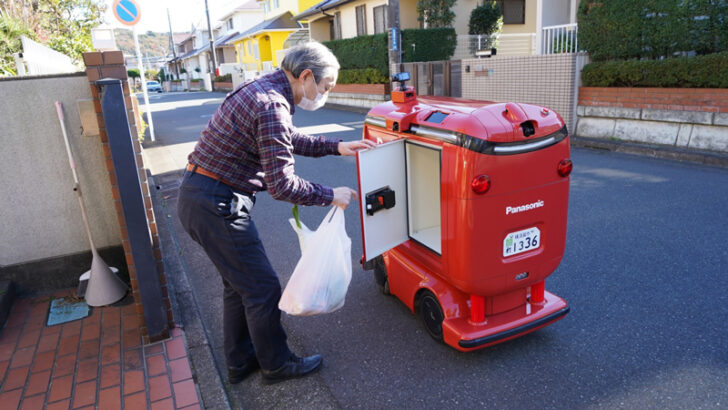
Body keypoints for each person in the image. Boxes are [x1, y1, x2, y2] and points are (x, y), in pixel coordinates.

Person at [177, 42, 375, 385]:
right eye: (325, 87)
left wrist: (336, 145)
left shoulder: (263, 90)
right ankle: (277, 364)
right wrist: (331, 195)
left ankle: (240, 361)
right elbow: (282, 186)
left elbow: (287, 137)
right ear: (306, 76)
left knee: (238, 286)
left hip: (201, 197)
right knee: (263, 289)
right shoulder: (271, 105)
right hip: (217, 204)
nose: (323, 95)